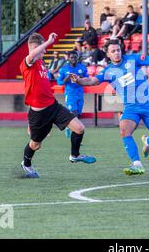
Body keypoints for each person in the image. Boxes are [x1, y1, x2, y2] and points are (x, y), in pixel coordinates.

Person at [71, 39, 149, 176]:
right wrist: (78, 80)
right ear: (108, 54)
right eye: (113, 51)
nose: (117, 53)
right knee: (124, 130)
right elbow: (92, 81)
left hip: (147, 104)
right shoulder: (108, 71)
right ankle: (137, 164)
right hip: (131, 107)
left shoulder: (133, 59)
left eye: (118, 50)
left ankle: (148, 141)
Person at [19, 33, 96, 178]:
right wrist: (48, 41)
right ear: (36, 48)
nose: (45, 51)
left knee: (79, 128)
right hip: (39, 114)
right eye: (43, 49)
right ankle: (26, 163)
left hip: (53, 107)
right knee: (35, 145)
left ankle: (75, 155)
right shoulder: (27, 63)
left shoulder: (42, 63)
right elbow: (33, 55)